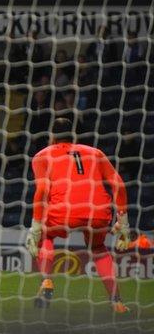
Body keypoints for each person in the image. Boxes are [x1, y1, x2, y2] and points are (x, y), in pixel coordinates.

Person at [25, 118, 130, 313]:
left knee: (46, 236)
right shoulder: (95, 152)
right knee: (98, 247)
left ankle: (47, 281)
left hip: (63, 210)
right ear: (73, 135)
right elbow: (119, 184)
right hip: (98, 209)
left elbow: (41, 191)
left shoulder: (42, 156)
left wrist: (36, 225)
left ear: (52, 136)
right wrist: (122, 221)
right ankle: (117, 301)